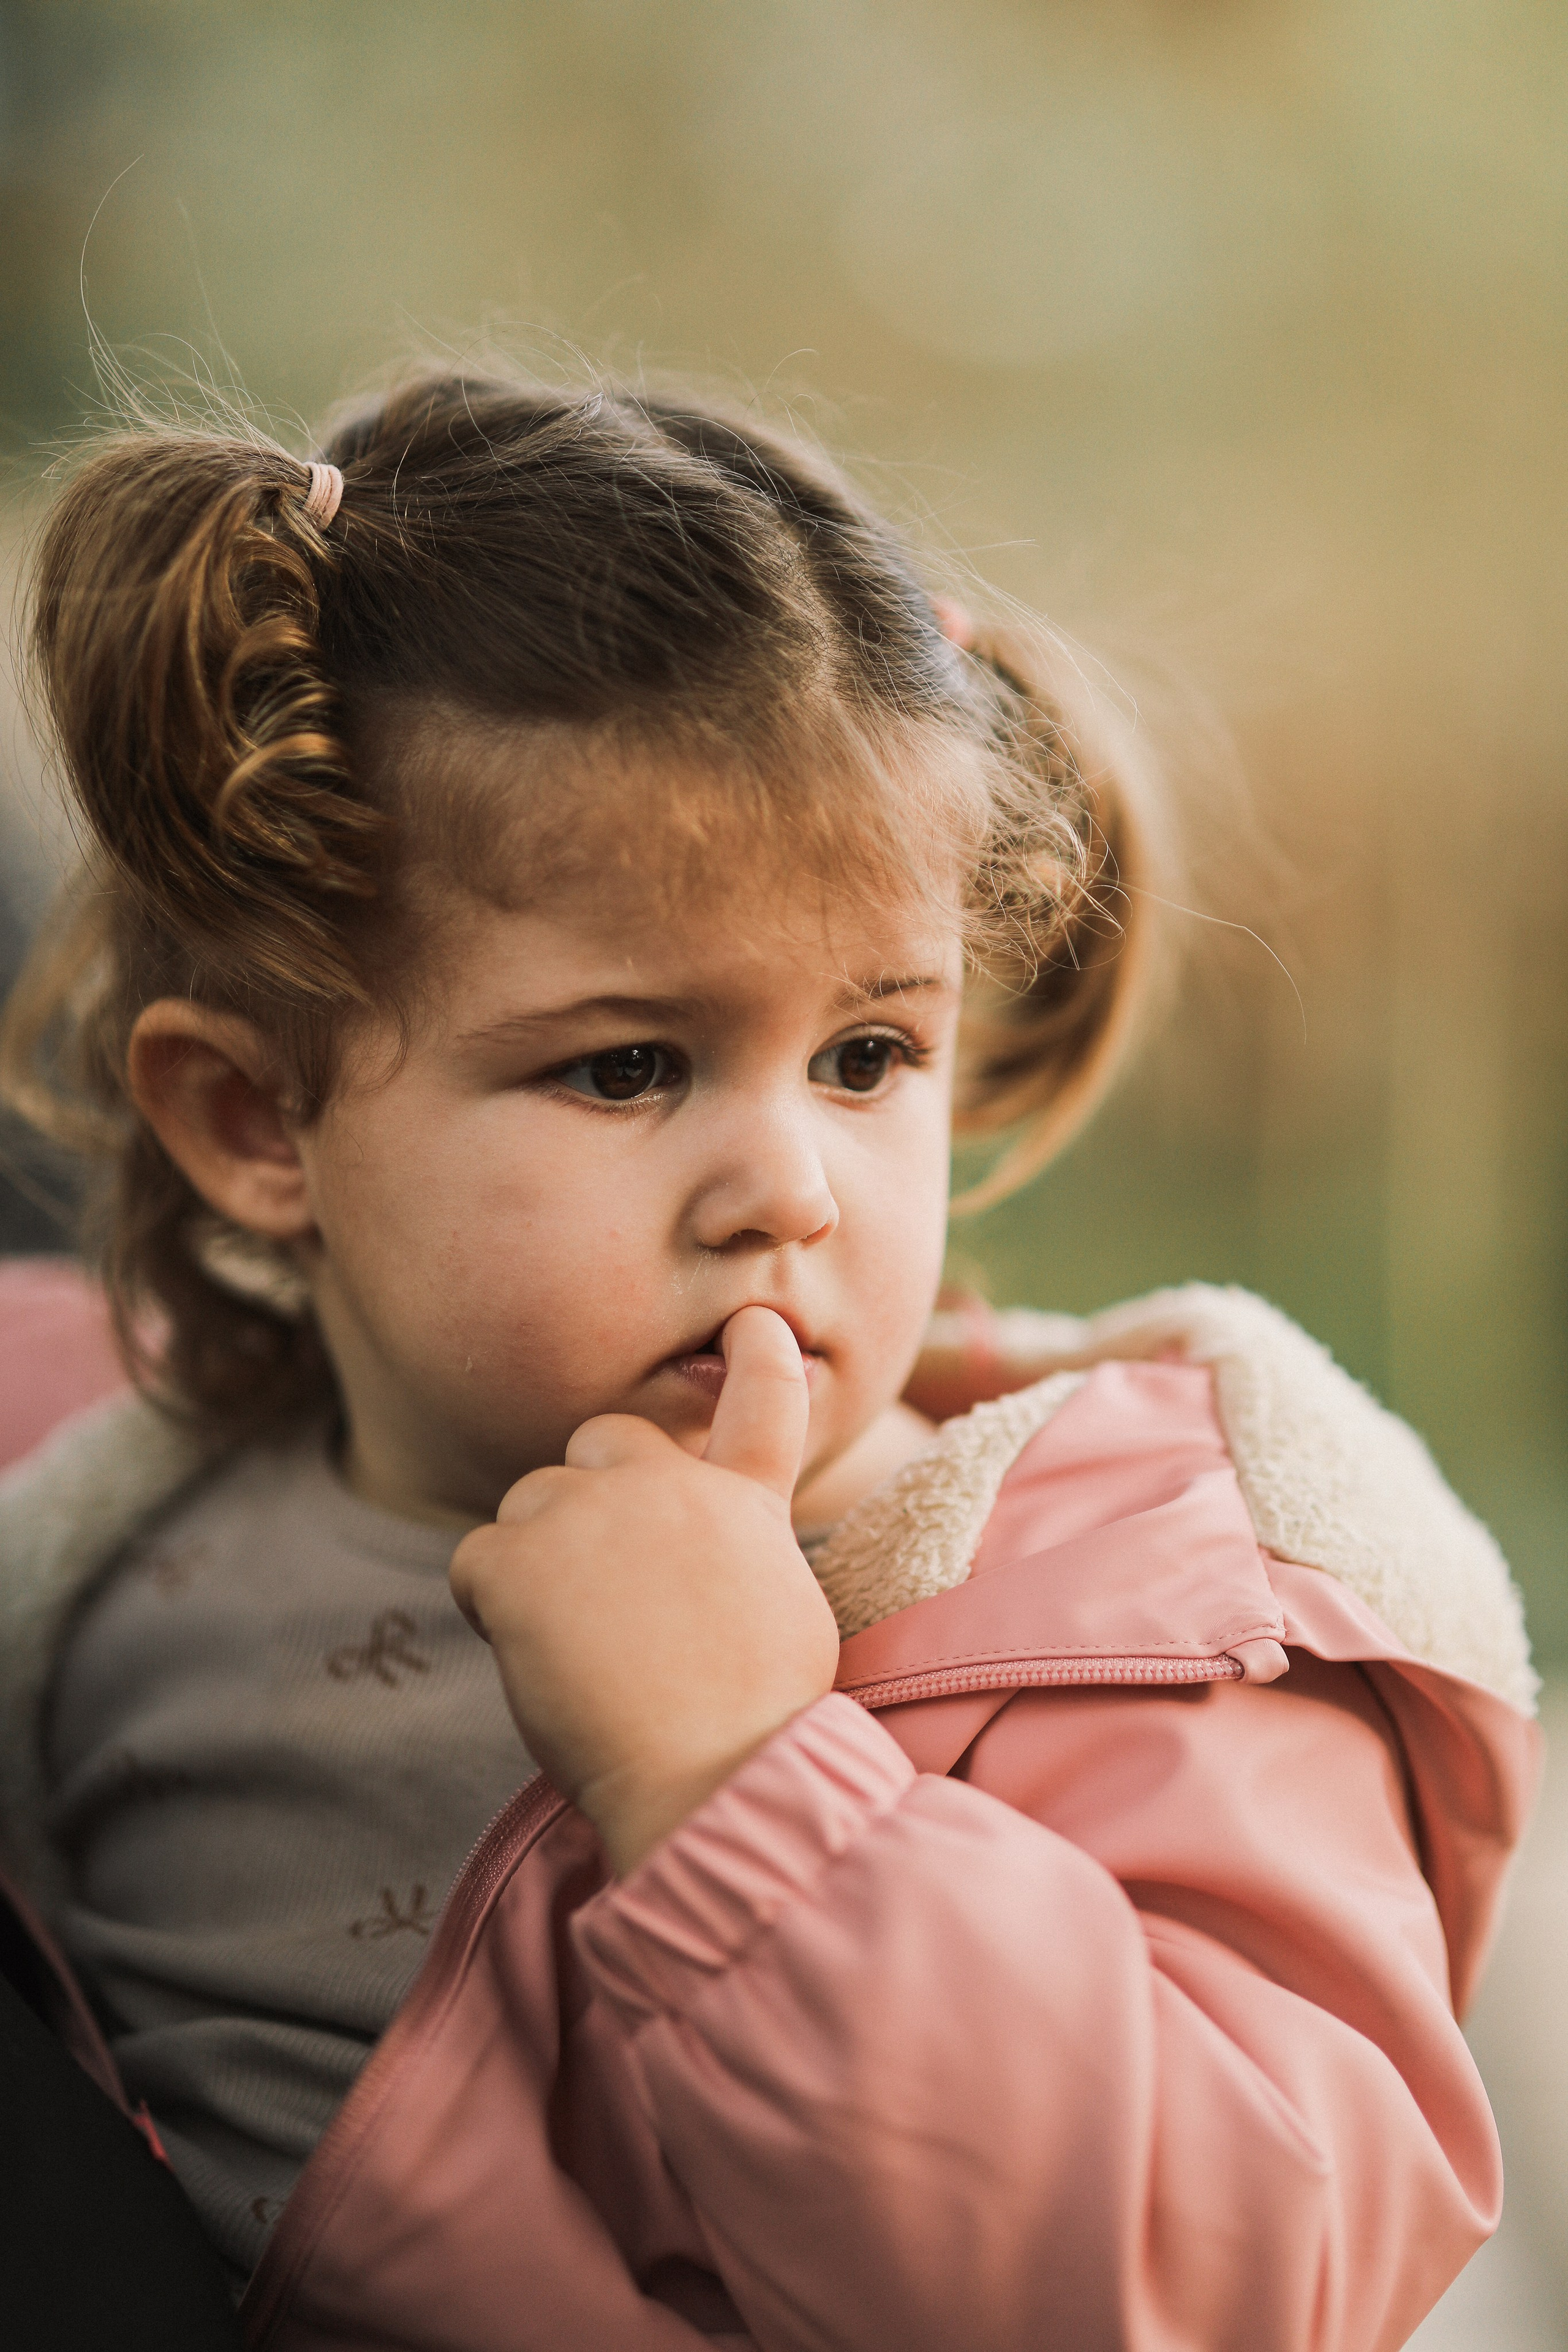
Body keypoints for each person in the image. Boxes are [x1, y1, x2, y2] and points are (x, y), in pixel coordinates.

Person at [0, 365, 1540, 2351]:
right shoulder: (101, 1532)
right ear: (259, 1127)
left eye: (869, 1056)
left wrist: (744, 1788)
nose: (789, 1189)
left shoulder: (1127, 1625)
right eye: (629, 1066)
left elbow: (1211, 2286)